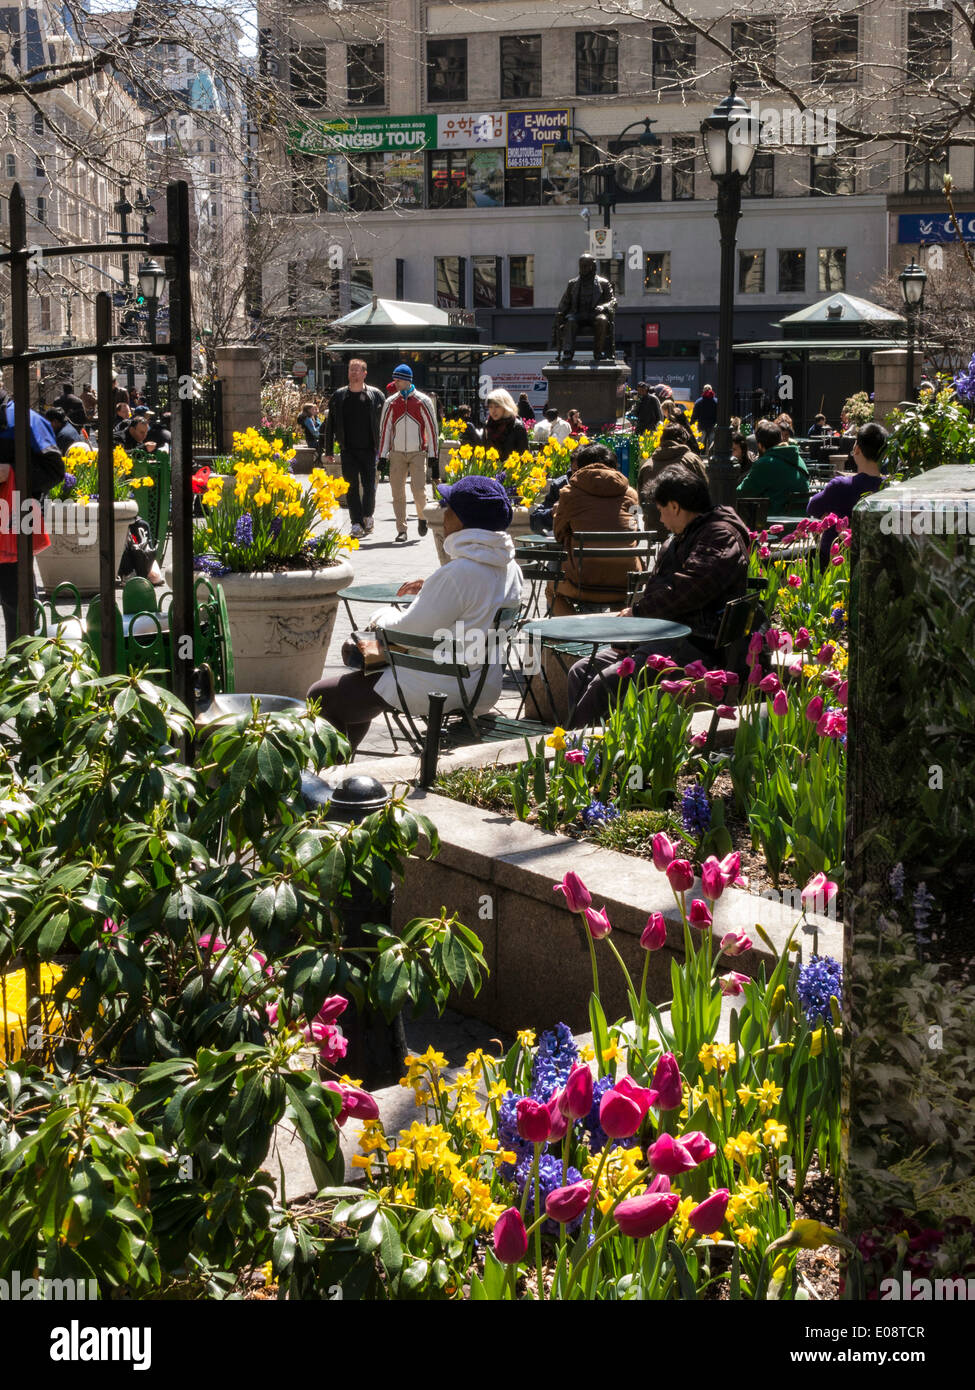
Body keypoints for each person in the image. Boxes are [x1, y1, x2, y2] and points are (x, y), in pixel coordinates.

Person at [307, 476, 522, 751]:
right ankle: (346, 775)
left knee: (322, 695)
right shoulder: (510, 568)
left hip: (445, 682)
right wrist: (430, 588)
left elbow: (406, 633)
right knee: (361, 670)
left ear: (463, 519)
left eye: (448, 506)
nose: (443, 514)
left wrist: (380, 616)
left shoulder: (460, 573)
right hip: (483, 681)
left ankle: (334, 780)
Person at [566, 467, 751, 727]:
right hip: (663, 638)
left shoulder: (719, 536)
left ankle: (578, 753)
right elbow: (662, 593)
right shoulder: (683, 536)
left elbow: (686, 591)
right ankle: (594, 748)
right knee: (581, 671)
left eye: (661, 509)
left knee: (604, 683)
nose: (660, 519)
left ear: (675, 506)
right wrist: (634, 631)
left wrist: (638, 614)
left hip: (695, 644)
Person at [0, 386, 64, 646]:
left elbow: (54, 471)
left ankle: (23, 668)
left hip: (13, 525)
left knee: (18, 604)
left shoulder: (27, 421)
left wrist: (11, 471)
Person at [551, 442, 642, 615]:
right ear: (614, 466)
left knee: (552, 589)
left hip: (581, 582)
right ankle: (616, 637)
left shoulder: (569, 493)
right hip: (626, 582)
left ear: (579, 467)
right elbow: (635, 533)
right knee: (618, 596)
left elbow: (559, 534)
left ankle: (578, 636)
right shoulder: (631, 494)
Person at [807, 420, 887, 568]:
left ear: (857, 449)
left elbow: (812, 507)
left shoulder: (841, 485)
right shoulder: (889, 488)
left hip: (834, 564)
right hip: (876, 562)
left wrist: (830, 516)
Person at [324, 358, 385, 541]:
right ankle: (356, 523)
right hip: (348, 449)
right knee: (350, 488)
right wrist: (328, 451)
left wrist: (384, 448)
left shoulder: (376, 395)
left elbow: (384, 424)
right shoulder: (339, 396)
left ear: (365, 373)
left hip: (369, 449)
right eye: (351, 370)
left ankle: (368, 516)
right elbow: (330, 426)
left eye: (358, 370)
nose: (354, 373)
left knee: (369, 487)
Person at [378, 364, 439, 543]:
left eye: (397, 380)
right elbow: (385, 429)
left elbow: (432, 429)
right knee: (397, 492)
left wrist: (433, 454)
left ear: (407, 380)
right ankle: (401, 529)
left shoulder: (423, 401)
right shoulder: (391, 402)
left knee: (419, 490)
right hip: (397, 453)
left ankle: (422, 517)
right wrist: (382, 455)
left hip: (418, 452)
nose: (394, 383)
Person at [637, 422, 708, 534]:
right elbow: (706, 489)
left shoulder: (647, 466)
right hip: (689, 527)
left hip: (654, 527)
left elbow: (641, 501)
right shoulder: (692, 460)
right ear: (684, 441)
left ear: (661, 440)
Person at [736, 417, 810, 515]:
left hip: (775, 522)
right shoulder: (797, 459)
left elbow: (742, 493)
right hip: (801, 520)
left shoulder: (765, 463)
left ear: (760, 445)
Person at [481, 388, 530, 462]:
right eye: (490, 407)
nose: (493, 411)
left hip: (511, 472)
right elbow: (484, 454)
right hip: (490, 472)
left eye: (497, 406)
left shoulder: (517, 427)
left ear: (505, 406)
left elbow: (523, 456)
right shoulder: (488, 425)